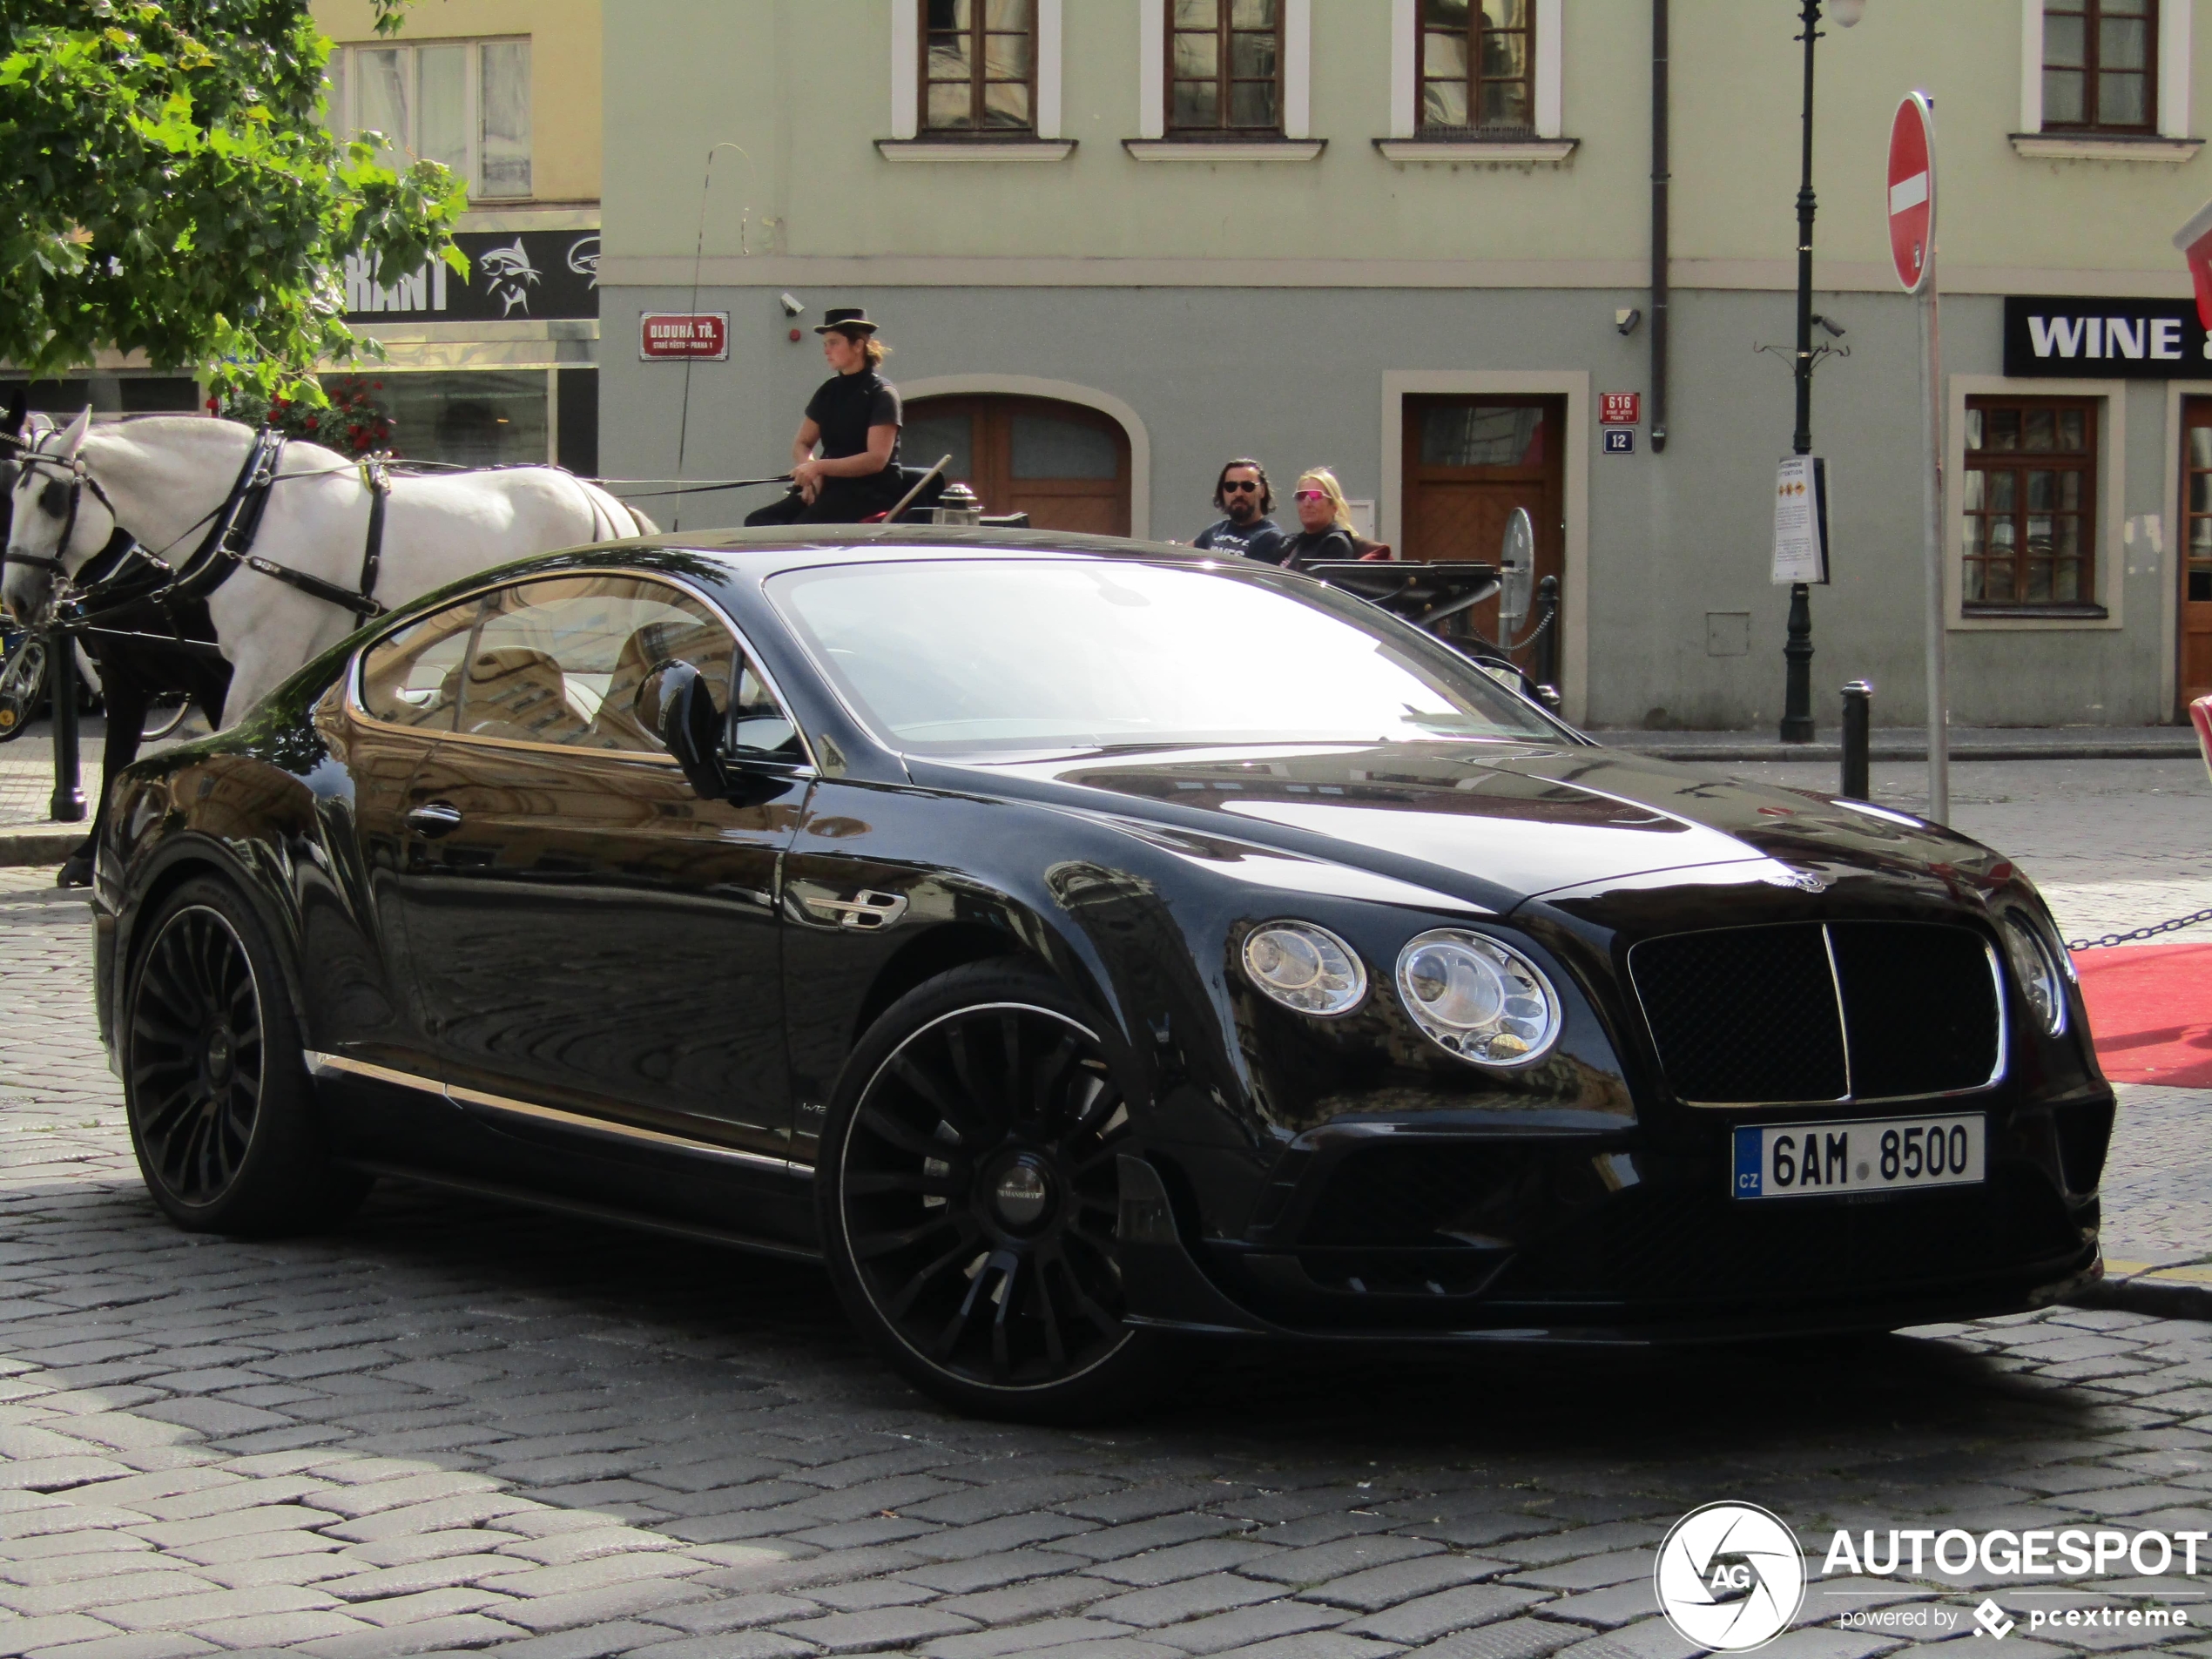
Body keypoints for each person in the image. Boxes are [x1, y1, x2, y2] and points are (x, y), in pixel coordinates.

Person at [745, 307, 905, 525]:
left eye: (834, 343)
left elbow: (876, 459)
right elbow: (802, 443)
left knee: (801, 530)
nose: (826, 350)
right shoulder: (828, 391)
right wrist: (813, 477)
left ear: (858, 346)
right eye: (825, 344)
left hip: (868, 494)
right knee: (759, 522)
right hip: (830, 489)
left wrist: (819, 468)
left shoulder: (883, 394)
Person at [1192, 458, 1281, 560]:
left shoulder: (1271, 539)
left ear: (1262, 490)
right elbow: (1184, 553)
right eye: (1231, 487)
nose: (1238, 493)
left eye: (1247, 486)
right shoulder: (1215, 530)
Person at [1272, 469, 1361, 571]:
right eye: (1301, 496)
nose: (1307, 504)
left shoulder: (1336, 544)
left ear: (1334, 506)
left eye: (1315, 496)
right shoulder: (1291, 542)